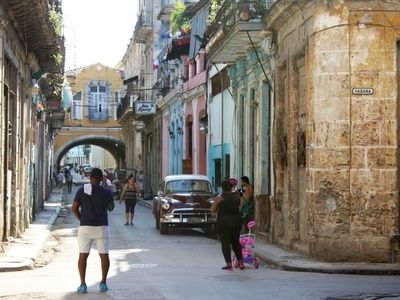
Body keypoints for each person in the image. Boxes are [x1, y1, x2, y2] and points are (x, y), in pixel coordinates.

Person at [71, 167, 115, 294]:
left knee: (83, 255)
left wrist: (81, 219)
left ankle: (83, 284)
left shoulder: (81, 190)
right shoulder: (106, 192)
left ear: (90, 178)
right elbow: (111, 208)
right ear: (101, 179)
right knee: (104, 255)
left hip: (85, 227)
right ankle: (103, 283)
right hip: (102, 227)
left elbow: (74, 208)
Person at [211, 178, 244, 271]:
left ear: (223, 188)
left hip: (223, 222)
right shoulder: (238, 197)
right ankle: (240, 262)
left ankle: (229, 264)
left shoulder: (219, 198)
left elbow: (212, 210)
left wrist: (219, 208)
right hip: (236, 222)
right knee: (236, 242)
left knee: (225, 243)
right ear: (232, 187)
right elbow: (239, 209)